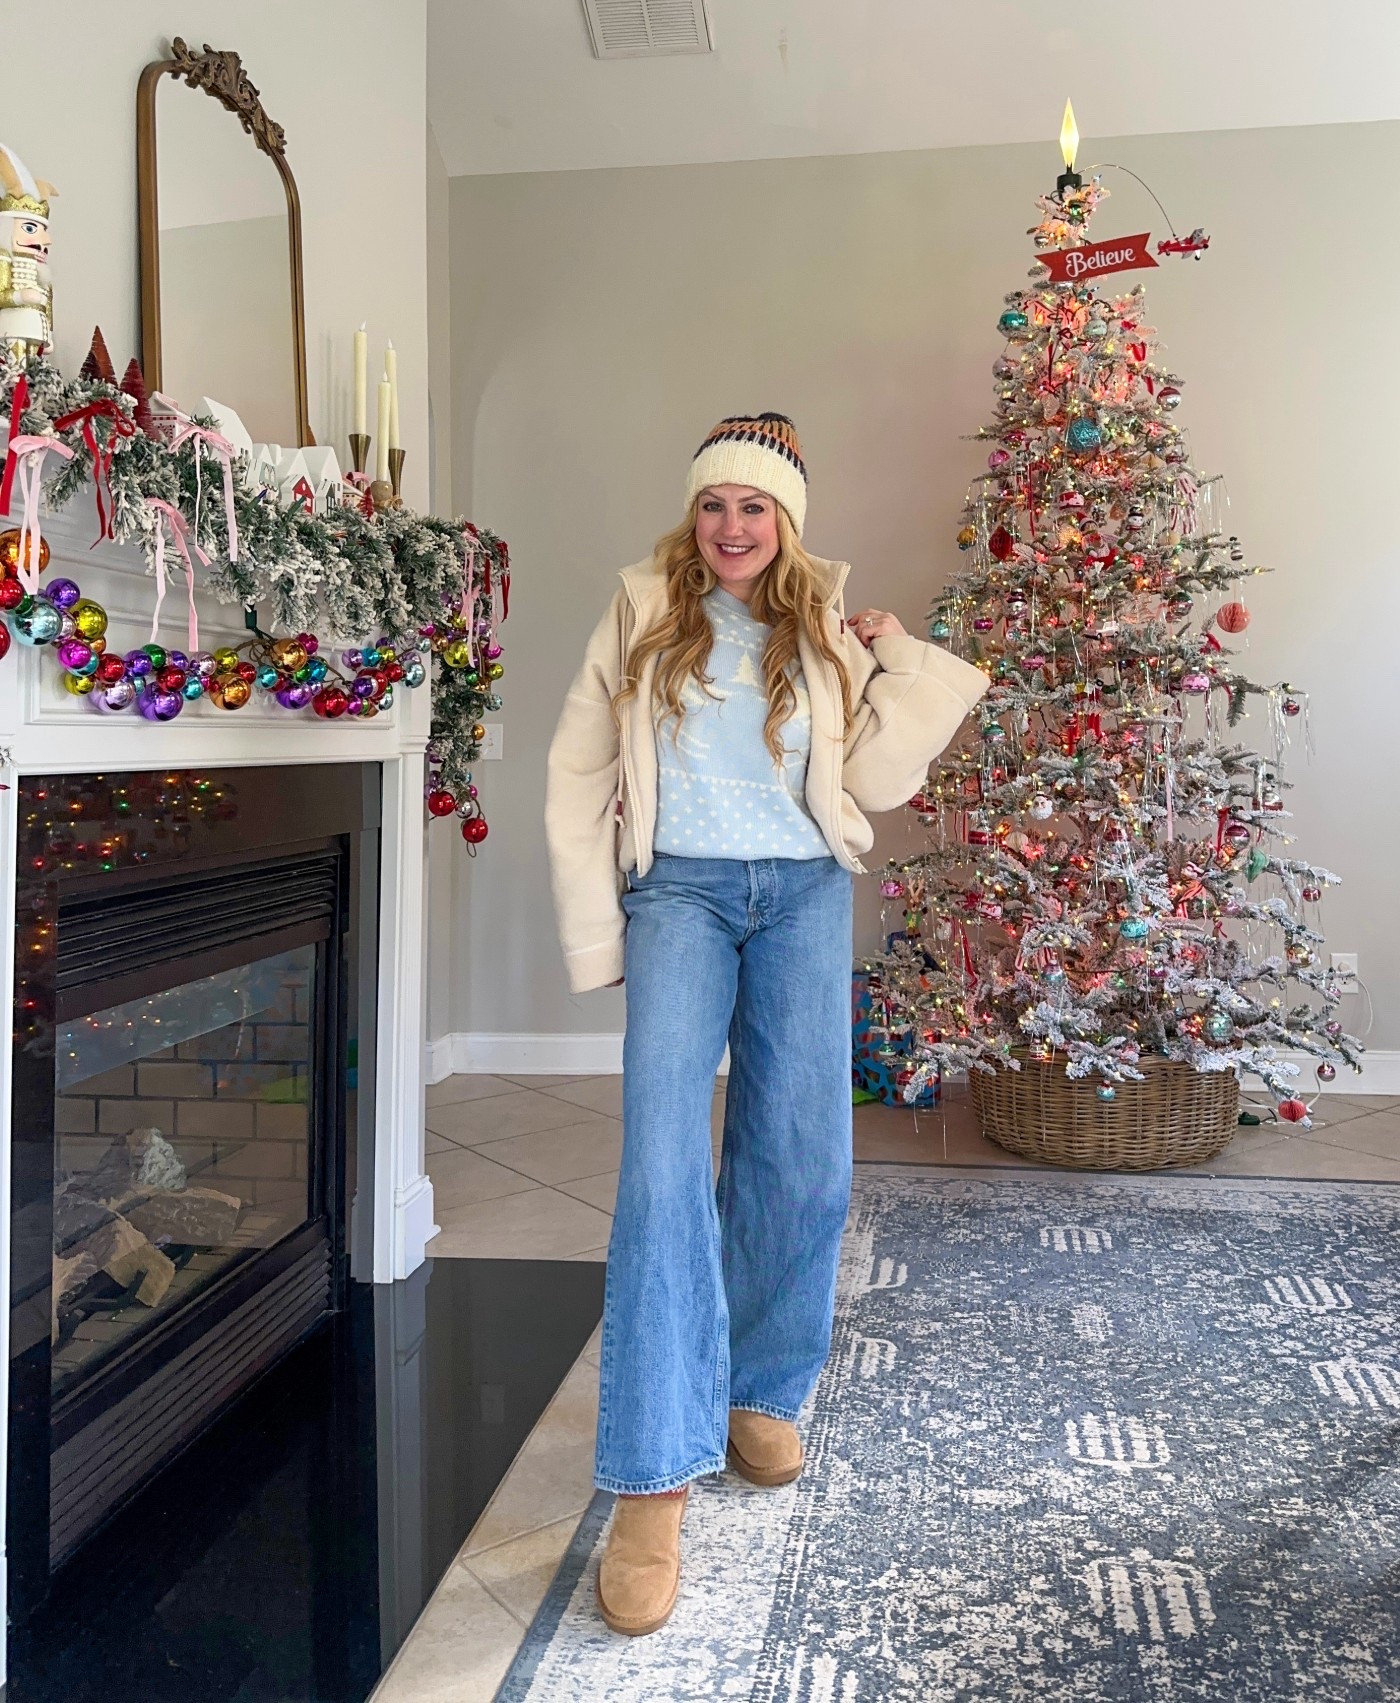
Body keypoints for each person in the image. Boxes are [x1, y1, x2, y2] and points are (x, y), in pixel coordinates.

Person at [544, 412, 987, 1636]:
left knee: (798, 1153)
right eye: (711, 505)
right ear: (690, 517)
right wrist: (595, 928)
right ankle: (649, 1475)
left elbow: (881, 782)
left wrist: (898, 656)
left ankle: (759, 1386)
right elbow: (577, 770)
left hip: (799, 890)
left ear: (785, 520)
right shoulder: (639, 613)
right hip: (678, 887)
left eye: (753, 507)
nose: (730, 526)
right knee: (660, 1165)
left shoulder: (823, 628)